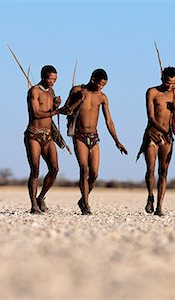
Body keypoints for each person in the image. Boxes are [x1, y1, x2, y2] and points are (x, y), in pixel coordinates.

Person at [61, 69, 127, 215]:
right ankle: (86, 205)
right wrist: (78, 99)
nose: (100, 88)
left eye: (103, 85)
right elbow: (66, 110)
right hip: (79, 136)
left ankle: (83, 199)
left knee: (94, 174)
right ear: (92, 79)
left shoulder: (102, 97)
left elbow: (108, 120)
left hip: (94, 136)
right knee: (84, 169)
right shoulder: (77, 90)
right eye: (99, 84)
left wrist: (117, 141)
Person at [137, 67, 175, 216]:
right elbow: (151, 116)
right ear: (162, 78)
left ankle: (159, 207)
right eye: (168, 82)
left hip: (167, 136)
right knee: (151, 169)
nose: (170, 86)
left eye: (173, 83)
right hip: (153, 134)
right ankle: (150, 196)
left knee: (164, 171)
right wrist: (162, 131)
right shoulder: (152, 92)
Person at [24, 65, 62, 214]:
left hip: (47, 135)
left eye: (55, 79)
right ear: (42, 76)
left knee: (54, 169)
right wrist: (56, 110)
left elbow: (49, 109)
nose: (52, 82)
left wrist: (56, 104)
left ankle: (41, 197)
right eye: (50, 78)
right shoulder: (34, 91)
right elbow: (36, 113)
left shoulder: (51, 92)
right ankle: (33, 205)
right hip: (33, 135)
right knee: (35, 171)